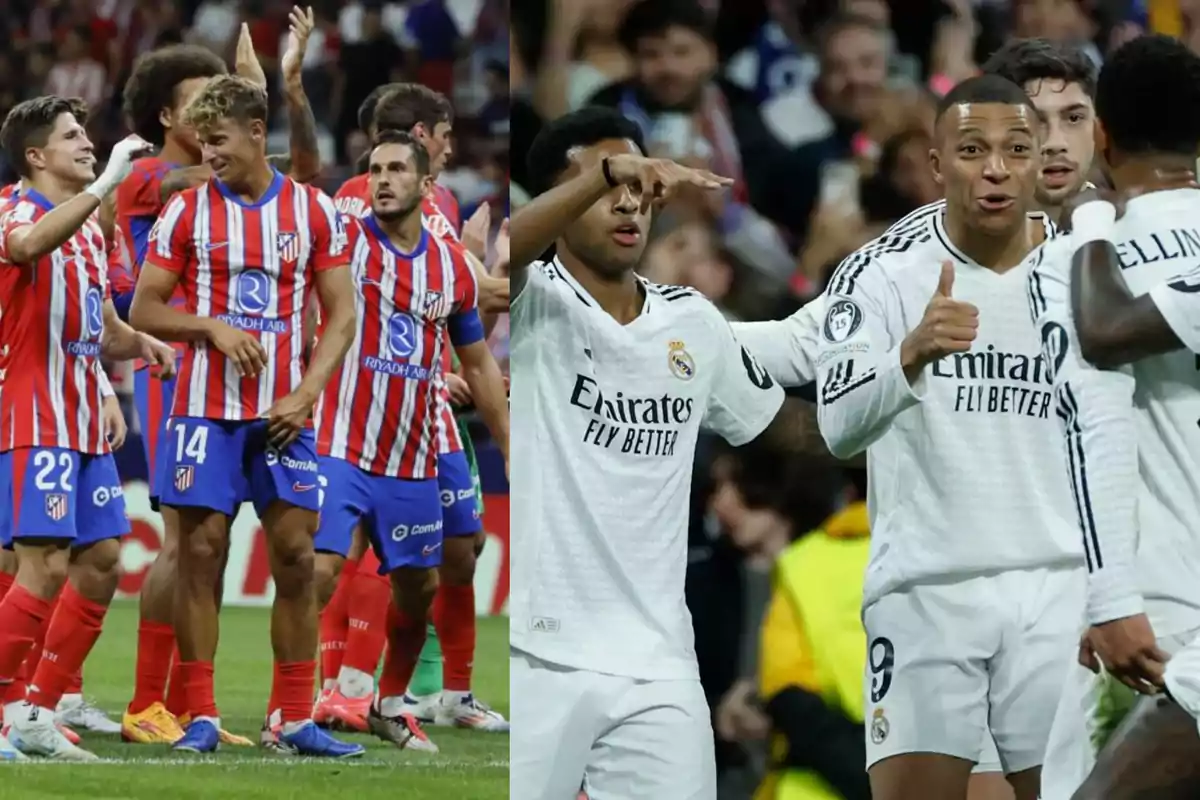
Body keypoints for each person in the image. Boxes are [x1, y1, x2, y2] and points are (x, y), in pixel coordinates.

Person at [508, 105, 829, 799]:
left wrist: (907, 403)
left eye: (637, 186)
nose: (627, 201)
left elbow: (789, 428)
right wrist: (605, 172)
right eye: (603, 185)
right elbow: (505, 250)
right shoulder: (535, 299)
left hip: (659, 664)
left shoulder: (690, 321)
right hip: (539, 656)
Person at [813, 75, 1083, 800]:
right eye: (972, 150)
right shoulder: (880, 277)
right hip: (925, 592)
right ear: (937, 166)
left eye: (1015, 150)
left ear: (1037, 162)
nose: (995, 169)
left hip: (1057, 585)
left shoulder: (1080, 277)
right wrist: (910, 353)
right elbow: (836, 427)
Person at [127, 75, 361, 757]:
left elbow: (343, 315)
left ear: (258, 132)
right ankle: (200, 715)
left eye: (220, 140)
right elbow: (144, 311)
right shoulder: (186, 212)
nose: (210, 153)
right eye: (202, 142)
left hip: (283, 416)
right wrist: (209, 328)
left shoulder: (314, 212)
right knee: (201, 556)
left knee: (294, 558)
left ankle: (292, 720)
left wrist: (307, 392)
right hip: (203, 414)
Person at [1026, 34, 1200, 800]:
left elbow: (1091, 411)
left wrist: (1090, 222)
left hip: (1138, 613)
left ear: (1101, 135)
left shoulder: (1072, 266)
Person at [315, 82, 509, 734]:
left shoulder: (446, 220)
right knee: (341, 552)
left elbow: (457, 311)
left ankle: (434, 693)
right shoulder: (349, 211)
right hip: (355, 416)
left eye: (397, 169)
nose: (452, 146)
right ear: (424, 133)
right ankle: (337, 685)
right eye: (445, 135)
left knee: (460, 546)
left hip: (427, 418)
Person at [0, 96, 171, 760]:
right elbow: (26, 248)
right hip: (34, 415)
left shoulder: (91, 232)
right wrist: (105, 189)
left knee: (100, 561)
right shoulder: (17, 209)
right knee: (39, 566)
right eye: (72, 137)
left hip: (81, 420)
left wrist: (143, 343)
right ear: (36, 156)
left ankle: (35, 709)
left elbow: (96, 323)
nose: (88, 144)